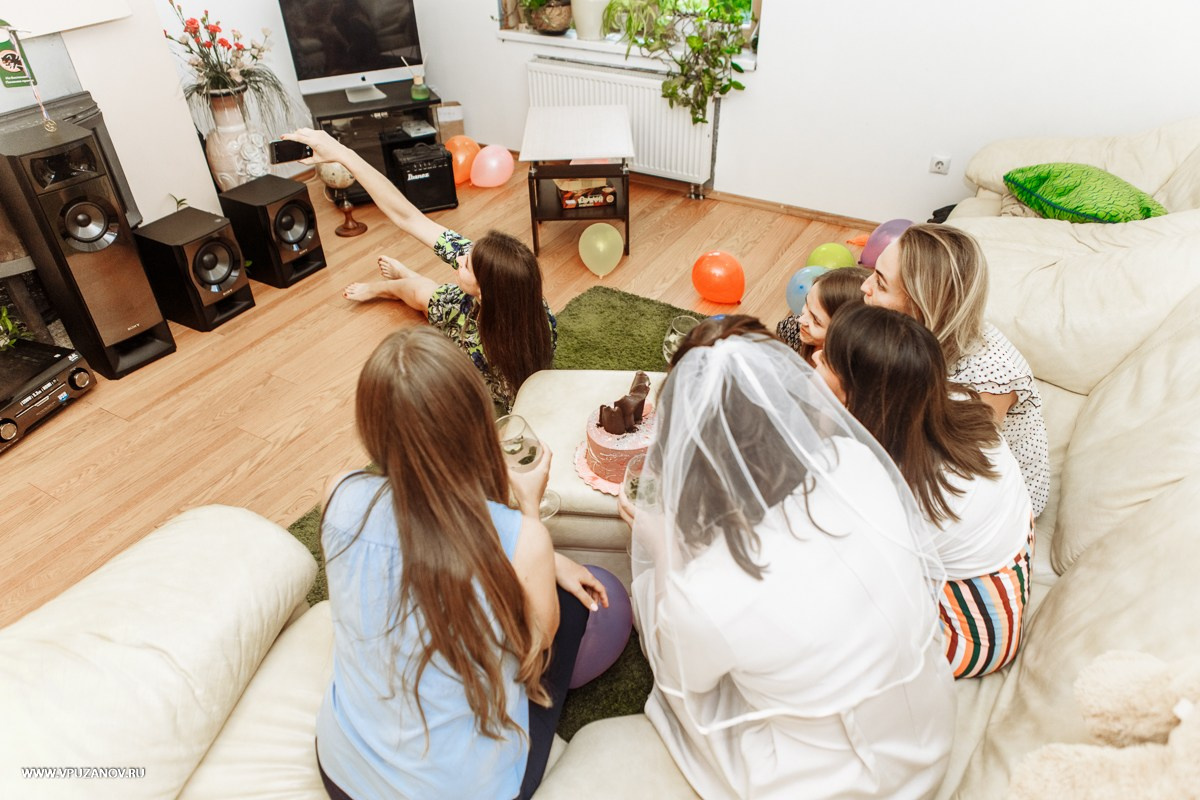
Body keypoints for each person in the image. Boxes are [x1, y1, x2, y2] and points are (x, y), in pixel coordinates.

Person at [622, 315, 956, 798]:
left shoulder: (710, 591)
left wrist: (663, 545)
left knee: (659, 606)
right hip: (930, 728)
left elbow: (682, 682)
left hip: (849, 784)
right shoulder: (853, 459)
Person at [315, 327, 608, 800]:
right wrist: (528, 519)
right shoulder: (521, 537)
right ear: (475, 424)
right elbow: (537, 645)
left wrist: (532, 552)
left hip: (342, 773)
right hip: (464, 790)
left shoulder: (338, 493)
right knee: (572, 612)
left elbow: (422, 536)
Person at [815, 304, 1035, 679]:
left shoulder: (898, 489)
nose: (815, 357)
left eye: (825, 361)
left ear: (853, 396)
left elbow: (837, 559)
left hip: (970, 632)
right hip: (995, 562)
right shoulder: (949, 406)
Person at [282, 127, 556, 412]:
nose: (459, 260)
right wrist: (342, 154)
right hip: (470, 304)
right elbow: (407, 215)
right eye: (465, 255)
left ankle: (401, 280)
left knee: (421, 297)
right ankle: (387, 285)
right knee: (413, 291)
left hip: (467, 332)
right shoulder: (508, 281)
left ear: (485, 292)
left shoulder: (489, 347)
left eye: (466, 265)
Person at [861, 223, 1050, 517]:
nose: (865, 287)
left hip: (1000, 498)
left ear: (922, 306)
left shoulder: (988, 380)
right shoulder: (923, 331)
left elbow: (959, 468)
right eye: (873, 272)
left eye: (881, 283)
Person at [775, 267, 871, 364]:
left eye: (816, 321)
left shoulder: (851, 372)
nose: (800, 319)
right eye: (807, 303)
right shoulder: (790, 330)